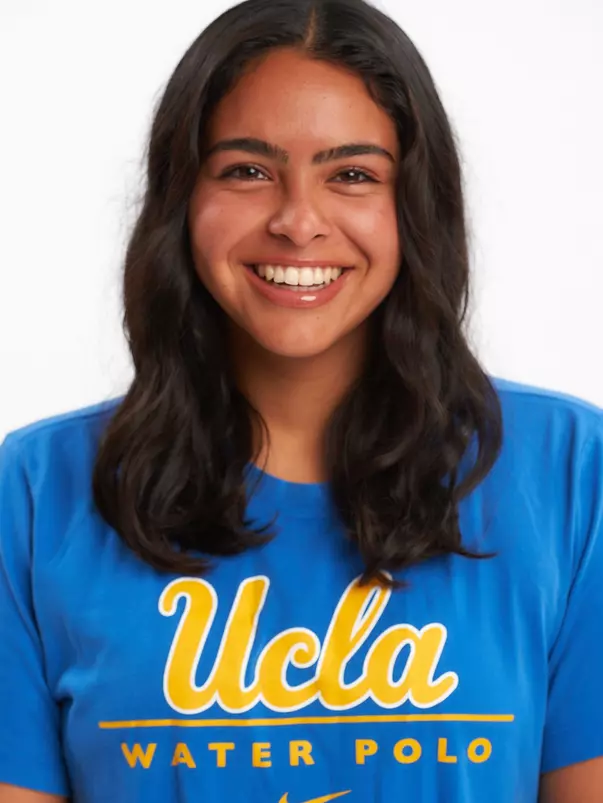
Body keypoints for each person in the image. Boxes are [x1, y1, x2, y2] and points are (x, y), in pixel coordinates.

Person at [1, 0, 602, 800]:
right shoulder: (37, 491)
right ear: (182, 200)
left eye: (352, 174)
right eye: (246, 171)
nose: (296, 221)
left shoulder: (566, 473)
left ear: (413, 205)